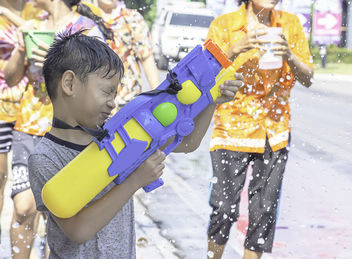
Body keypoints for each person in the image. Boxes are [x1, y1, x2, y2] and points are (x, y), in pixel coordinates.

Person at [28, 30, 242, 258]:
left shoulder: (117, 135)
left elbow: (188, 142)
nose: (112, 102)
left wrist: (211, 100)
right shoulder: (45, 157)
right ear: (69, 84)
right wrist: (135, 181)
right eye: (106, 91)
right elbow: (79, 231)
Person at [206, 0, 314, 258]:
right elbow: (205, 71)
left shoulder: (289, 24)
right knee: (224, 208)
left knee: (264, 211)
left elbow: (308, 78)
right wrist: (234, 48)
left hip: (274, 130)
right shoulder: (225, 25)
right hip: (232, 127)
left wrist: (289, 54)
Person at [5, 0, 111, 257]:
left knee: (61, 209)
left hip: (69, 131)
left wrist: (58, 64)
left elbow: (101, 78)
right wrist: (21, 49)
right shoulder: (33, 25)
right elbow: (10, 78)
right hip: (28, 126)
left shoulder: (87, 30)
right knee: (23, 208)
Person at [0, 0, 42, 252]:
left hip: (30, 110)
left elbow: (36, 32)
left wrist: (6, 13)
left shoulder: (39, 10)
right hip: (0, 109)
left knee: (28, 199)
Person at [97, 0, 160, 109]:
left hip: (126, 102)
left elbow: (147, 59)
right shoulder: (83, 18)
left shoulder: (132, 18)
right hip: (93, 103)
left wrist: (160, 97)